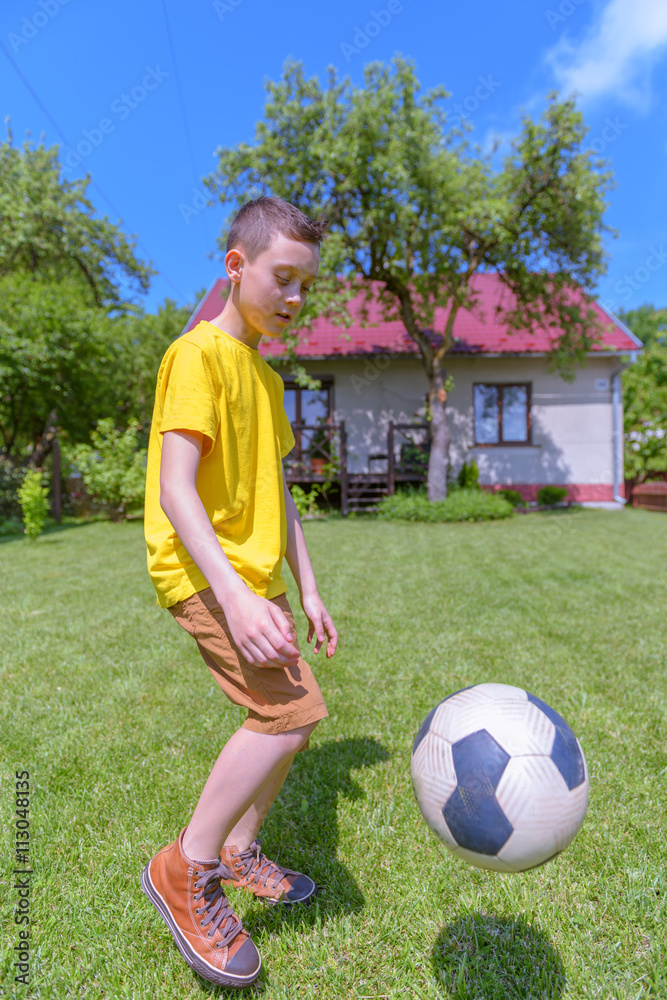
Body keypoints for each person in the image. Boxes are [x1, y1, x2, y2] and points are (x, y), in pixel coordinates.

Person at [140, 196, 338, 989]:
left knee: (294, 716)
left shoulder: (264, 373)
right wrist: (233, 592)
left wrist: (308, 586)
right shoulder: (197, 357)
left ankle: (237, 851)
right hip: (205, 573)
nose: (294, 299)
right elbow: (177, 489)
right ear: (235, 265)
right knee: (289, 714)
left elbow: (278, 490)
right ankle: (185, 867)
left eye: (304, 287)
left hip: (252, 579)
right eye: (282, 279)